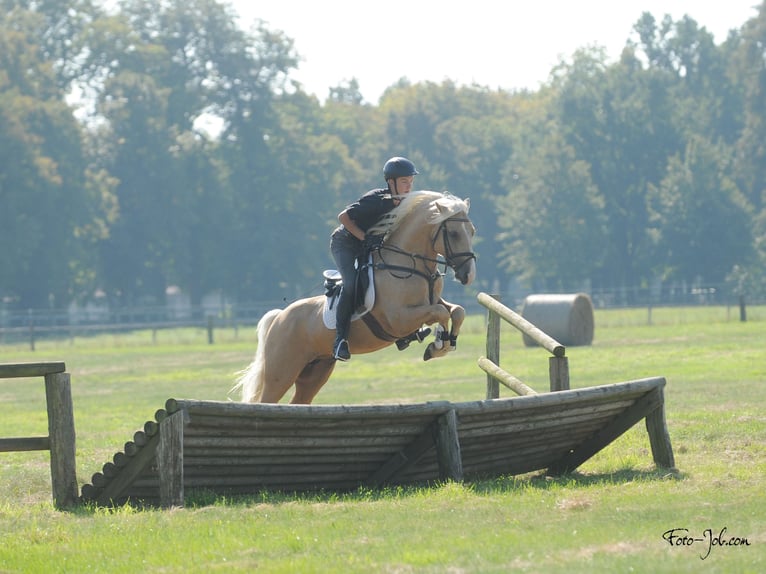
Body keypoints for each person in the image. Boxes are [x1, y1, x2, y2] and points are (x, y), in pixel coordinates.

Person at [330, 156, 419, 361]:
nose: (409, 186)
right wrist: (364, 237)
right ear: (391, 182)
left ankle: (404, 332)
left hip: (368, 246)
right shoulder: (376, 199)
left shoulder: (405, 204)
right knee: (352, 285)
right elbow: (343, 217)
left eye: (410, 182)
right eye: (404, 181)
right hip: (345, 243)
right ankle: (340, 341)